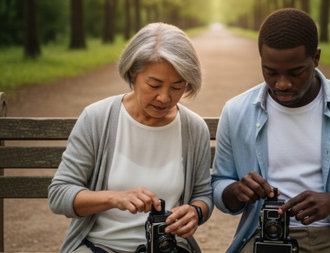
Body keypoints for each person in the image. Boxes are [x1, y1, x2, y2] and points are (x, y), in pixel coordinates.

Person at [211, 8, 330, 253]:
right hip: (266, 236)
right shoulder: (236, 111)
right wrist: (236, 191)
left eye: (296, 72)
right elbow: (219, 183)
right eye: (271, 72)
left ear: (316, 58)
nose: (283, 84)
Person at [48, 22, 213, 253]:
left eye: (177, 87)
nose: (164, 98)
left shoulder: (194, 128)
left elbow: (202, 195)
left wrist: (196, 211)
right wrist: (114, 198)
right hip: (100, 246)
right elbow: (59, 195)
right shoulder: (97, 118)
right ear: (133, 73)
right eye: (154, 84)